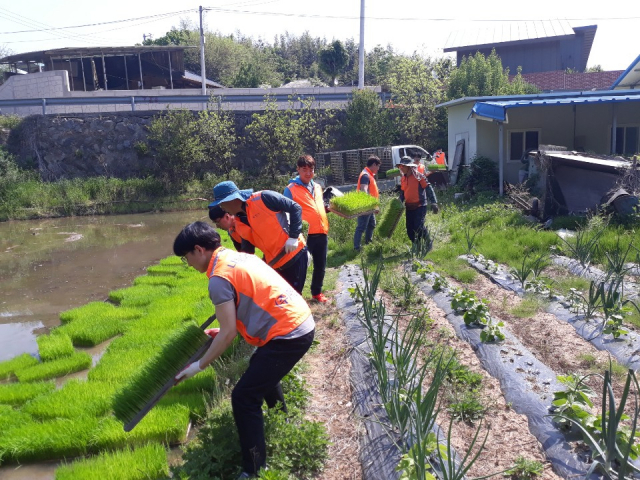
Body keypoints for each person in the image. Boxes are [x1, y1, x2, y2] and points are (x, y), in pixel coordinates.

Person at [174, 221, 315, 479]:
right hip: (298, 320)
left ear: (198, 249)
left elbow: (228, 334)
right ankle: (282, 420)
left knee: (243, 397)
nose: (189, 264)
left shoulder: (218, 279)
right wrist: (223, 330)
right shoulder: (236, 257)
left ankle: (253, 469)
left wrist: (199, 365)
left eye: (186, 258)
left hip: (288, 333)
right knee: (260, 370)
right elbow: (241, 309)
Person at [209, 181, 308, 294]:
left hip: (294, 254)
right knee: (282, 301)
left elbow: (295, 208)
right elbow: (248, 252)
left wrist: (293, 237)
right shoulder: (239, 222)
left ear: (231, 199)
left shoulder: (264, 197)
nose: (222, 207)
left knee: (294, 299)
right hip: (275, 264)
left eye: (222, 203)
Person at [283, 155, 330, 303]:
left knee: (320, 265)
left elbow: (317, 206)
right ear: (298, 169)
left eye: (311, 169)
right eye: (304, 170)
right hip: (303, 236)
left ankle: (317, 293)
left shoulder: (317, 187)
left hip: (321, 232)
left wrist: (327, 209)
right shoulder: (290, 189)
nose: (308, 173)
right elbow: (286, 213)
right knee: (300, 268)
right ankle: (296, 298)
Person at [397, 156, 438, 243]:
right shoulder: (403, 179)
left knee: (418, 226)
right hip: (409, 207)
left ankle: (428, 242)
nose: (401, 168)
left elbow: (428, 188)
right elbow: (403, 192)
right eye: (400, 166)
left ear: (409, 167)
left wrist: (434, 202)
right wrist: (399, 201)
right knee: (410, 229)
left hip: (420, 205)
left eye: (403, 166)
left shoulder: (419, 176)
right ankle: (417, 246)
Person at [353, 155, 381, 251]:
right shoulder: (365, 175)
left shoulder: (368, 174)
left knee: (372, 224)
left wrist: (374, 206)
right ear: (373, 164)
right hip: (365, 206)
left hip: (370, 206)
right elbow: (364, 190)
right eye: (377, 166)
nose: (378, 168)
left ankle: (368, 242)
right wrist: (369, 205)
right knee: (361, 227)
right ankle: (357, 248)